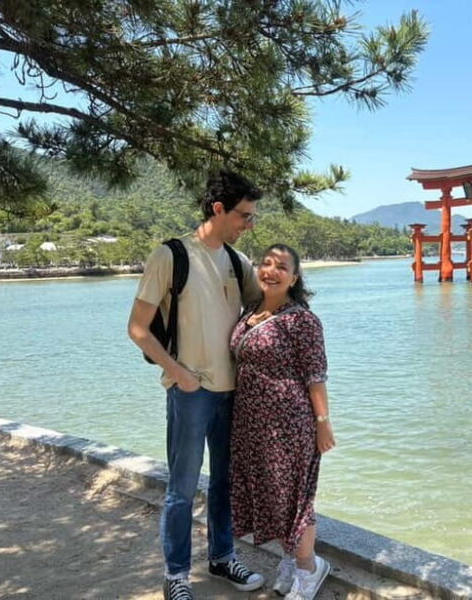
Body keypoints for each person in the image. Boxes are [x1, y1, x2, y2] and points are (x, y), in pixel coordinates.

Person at [127, 170, 265, 600]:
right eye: (244, 215)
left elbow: (265, 310)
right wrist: (180, 373)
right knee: (182, 489)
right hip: (190, 392)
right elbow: (137, 329)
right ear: (218, 209)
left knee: (224, 483)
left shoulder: (238, 263)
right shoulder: (170, 255)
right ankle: (176, 576)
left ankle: (222, 558)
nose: (249, 225)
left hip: (232, 393)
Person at [228, 243, 336, 600]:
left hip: (290, 425)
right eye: (267, 263)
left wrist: (323, 421)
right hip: (253, 425)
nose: (271, 271)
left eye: (282, 267)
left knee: (296, 500)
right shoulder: (250, 312)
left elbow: (316, 376)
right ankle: (292, 559)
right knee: (273, 497)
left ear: (294, 277)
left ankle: (309, 570)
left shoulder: (302, 321)